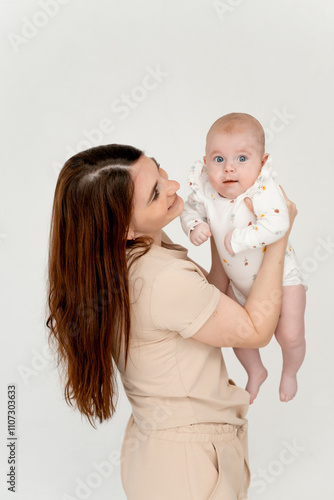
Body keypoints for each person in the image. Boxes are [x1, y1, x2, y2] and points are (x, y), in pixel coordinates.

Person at [47, 143, 297, 500]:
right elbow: (255, 330)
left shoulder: (120, 260)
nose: (174, 185)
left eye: (160, 171)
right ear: (123, 229)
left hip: (159, 451)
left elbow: (204, 303)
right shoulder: (162, 278)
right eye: (155, 193)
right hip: (187, 465)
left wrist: (219, 229)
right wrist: (278, 232)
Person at [181, 113, 306, 404]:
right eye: (219, 159)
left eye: (242, 158)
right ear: (206, 161)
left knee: (290, 335)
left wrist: (239, 240)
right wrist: (194, 226)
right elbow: (189, 211)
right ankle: (256, 370)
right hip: (238, 284)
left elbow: (278, 224)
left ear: (262, 163)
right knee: (237, 335)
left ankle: (290, 369)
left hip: (283, 279)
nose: (229, 169)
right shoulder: (206, 191)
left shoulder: (263, 189)